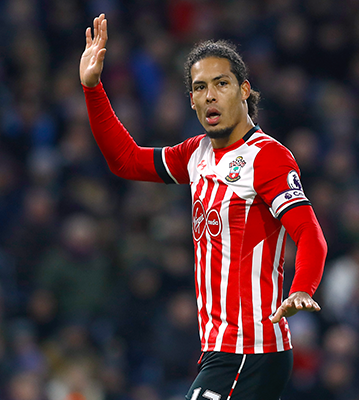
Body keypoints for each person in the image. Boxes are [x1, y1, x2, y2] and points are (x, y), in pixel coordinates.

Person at [80, 14, 327, 400]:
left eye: (221, 83)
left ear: (244, 90)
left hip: (250, 349)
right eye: (200, 87)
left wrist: (301, 288)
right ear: (192, 100)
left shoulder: (267, 158)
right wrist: (92, 88)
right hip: (220, 349)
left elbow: (310, 234)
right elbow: (125, 160)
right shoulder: (196, 153)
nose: (210, 95)